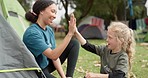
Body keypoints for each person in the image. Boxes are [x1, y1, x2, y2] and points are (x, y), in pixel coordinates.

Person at [23, 0, 79, 78]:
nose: (55, 16)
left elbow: (55, 57)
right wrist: (70, 34)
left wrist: (64, 77)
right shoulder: (32, 33)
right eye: (52, 11)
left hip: (46, 65)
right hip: (35, 71)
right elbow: (53, 55)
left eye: (55, 13)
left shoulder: (49, 30)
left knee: (74, 43)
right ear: (41, 11)